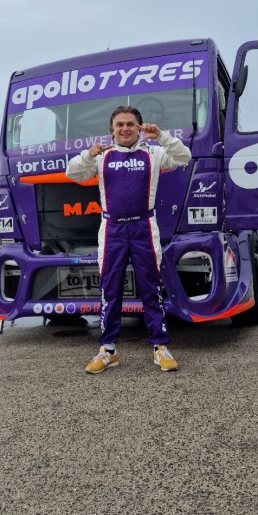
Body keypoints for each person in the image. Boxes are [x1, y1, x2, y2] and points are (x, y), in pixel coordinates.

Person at [66, 105, 191, 373]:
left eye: (130, 124)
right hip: (112, 229)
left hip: (144, 227)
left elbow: (184, 156)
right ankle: (108, 350)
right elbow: (72, 173)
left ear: (139, 127)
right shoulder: (102, 156)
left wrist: (161, 136)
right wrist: (88, 154)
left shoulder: (153, 153)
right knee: (110, 290)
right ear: (112, 130)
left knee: (151, 288)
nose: (125, 129)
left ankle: (160, 347)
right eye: (119, 125)